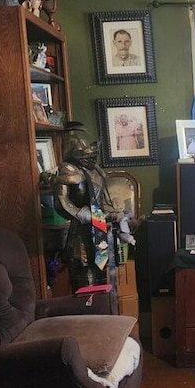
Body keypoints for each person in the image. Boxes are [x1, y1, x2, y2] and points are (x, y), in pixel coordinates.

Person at [54, 123, 129, 290]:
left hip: (99, 228)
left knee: (104, 279)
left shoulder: (93, 171)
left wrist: (112, 212)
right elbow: (61, 202)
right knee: (86, 282)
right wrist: (81, 214)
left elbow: (100, 199)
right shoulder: (67, 170)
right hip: (80, 232)